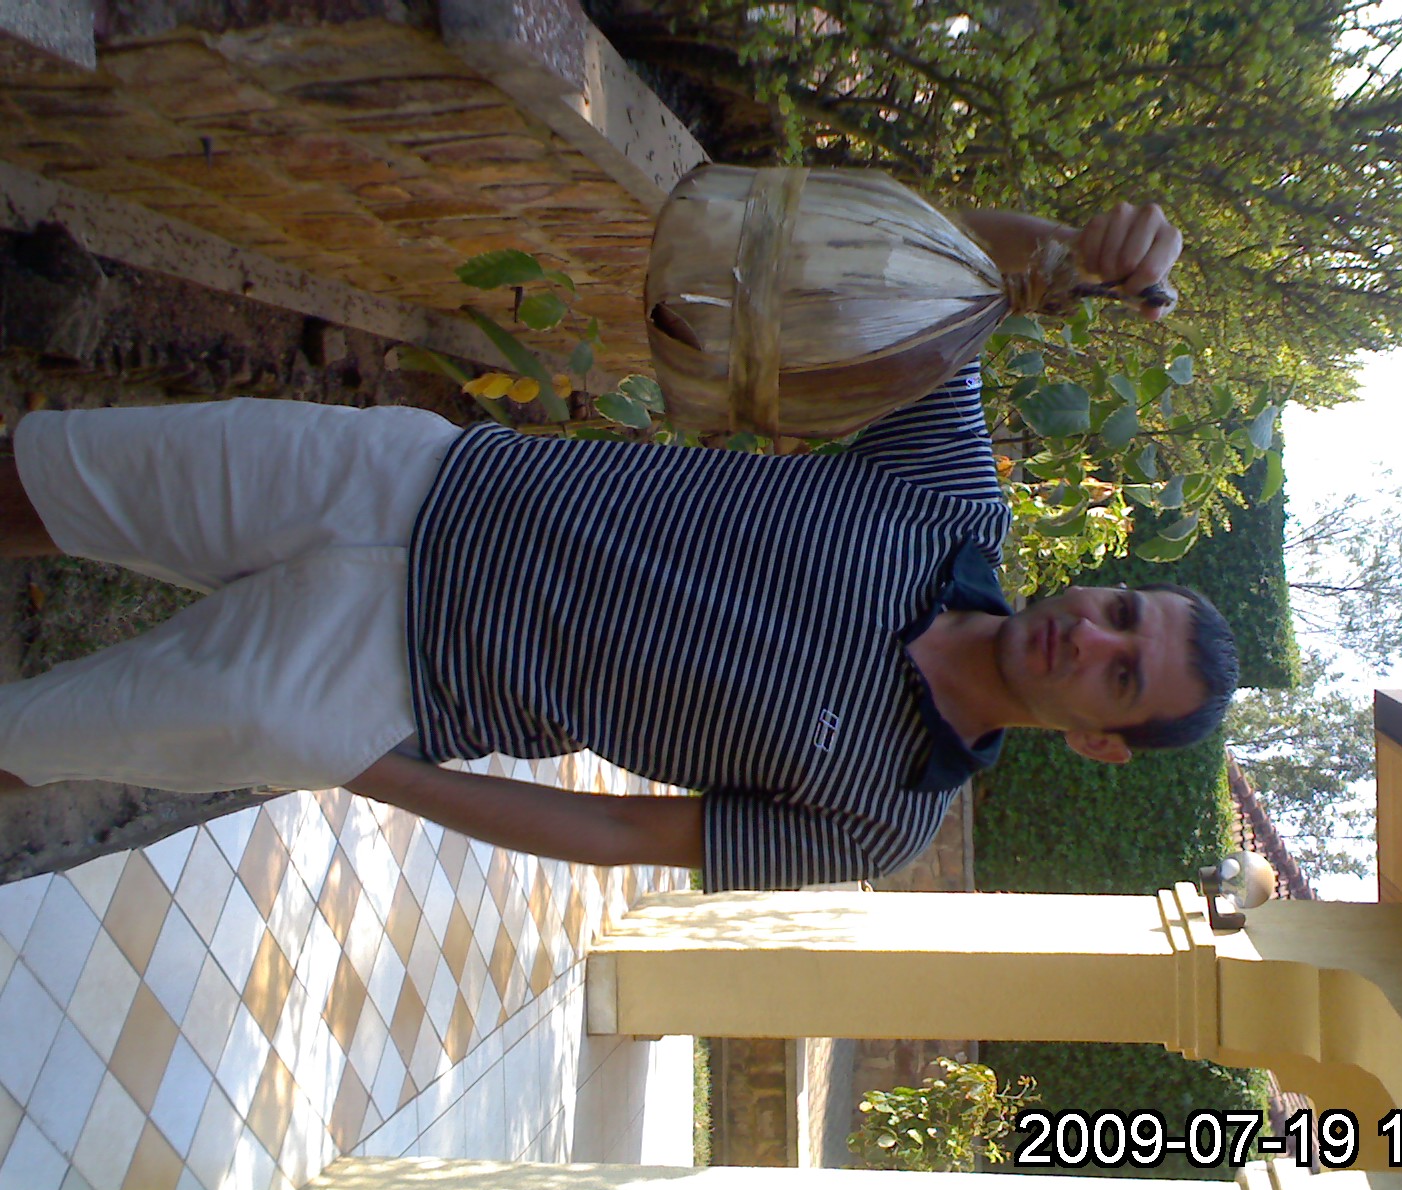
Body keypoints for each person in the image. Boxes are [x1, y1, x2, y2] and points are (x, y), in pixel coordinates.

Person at [0, 201, 1237, 890]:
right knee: (38, 479)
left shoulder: (882, 818)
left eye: (1120, 675)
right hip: (408, 479)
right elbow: (902, 267)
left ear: (1097, 742)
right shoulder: (949, 506)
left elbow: (615, 838)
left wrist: (363, 768)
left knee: (31, 743)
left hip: (381, 681)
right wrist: (1064, 254)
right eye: (1125, 611)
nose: (1093, 635)